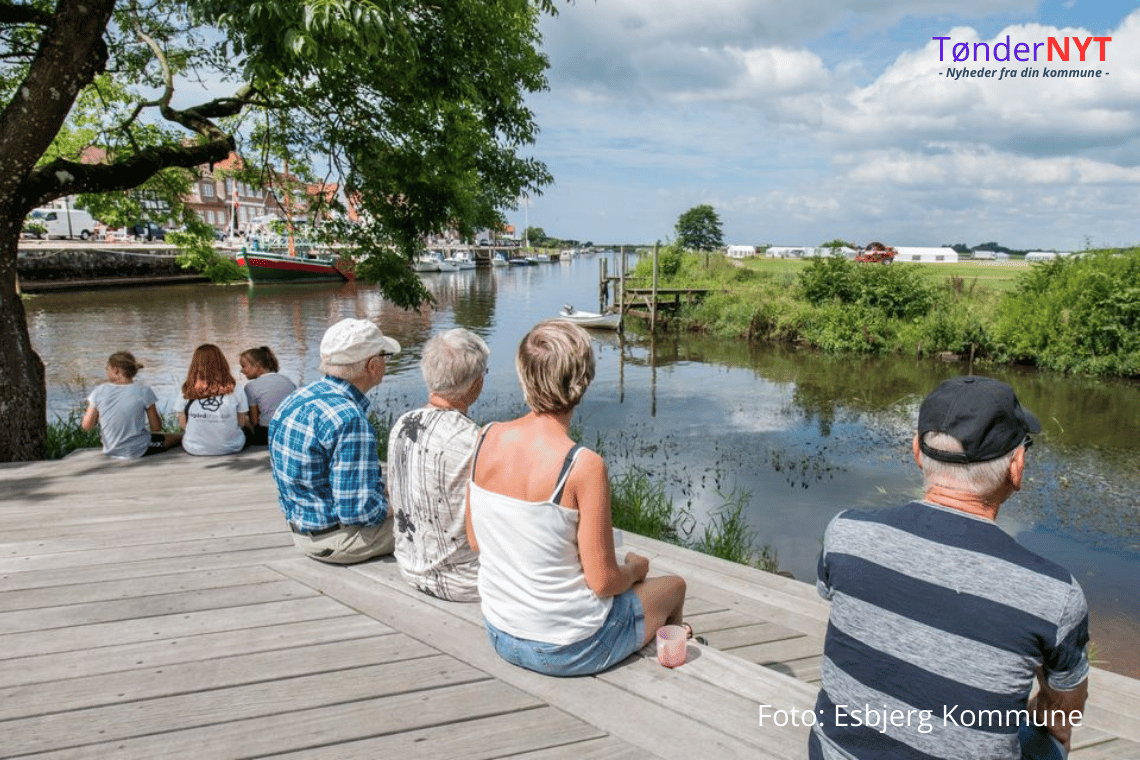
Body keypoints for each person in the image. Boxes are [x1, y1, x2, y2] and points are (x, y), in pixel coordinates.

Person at [810, 376, 1089, 760]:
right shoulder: (1055, 593)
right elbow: (1064, 706)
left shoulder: (845, 533)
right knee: (1050, 737)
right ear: (1017, 466)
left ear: (916, 453)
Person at [465, 319, 688, 677]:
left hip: (500, 632)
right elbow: (602, 582)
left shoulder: (484, 437)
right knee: (674, 586)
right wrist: (634, 569)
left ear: (524, 375)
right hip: (569, 650)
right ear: (583, 380)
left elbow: (476, 541)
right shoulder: (583, 465)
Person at [269, 318, 400, 564]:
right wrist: (402, 501)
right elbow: (358, 511)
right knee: (437, 518)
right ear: (372, 365)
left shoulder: (295, 398)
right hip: (339, 541)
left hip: (302, 532)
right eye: (385, 357)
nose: (385, 363)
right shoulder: (350, 420)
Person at [387, 328, 488, 602]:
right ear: (476, 383)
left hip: (411, 568)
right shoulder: (474, 441)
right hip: (465, 583)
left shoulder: (402, 425)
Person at [81, 351, 181, 458]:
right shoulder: (144, 390)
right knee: (176, 437)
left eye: (107, 368)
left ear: (115, 370)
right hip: (139, 450)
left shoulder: (99, 391)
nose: (106, 371)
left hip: (110, 450)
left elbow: (86, 426)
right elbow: (156, 427)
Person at [178, 343, 251, 456]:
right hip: (232, 446)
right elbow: (241, 422)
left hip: (194, 448)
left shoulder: (186, 389)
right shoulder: (236, 388)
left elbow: (182, 424)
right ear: (222, 363)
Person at [239, 346, 297, 446]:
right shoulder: (287, 380)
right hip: (291, 430)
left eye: (244, 366)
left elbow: (254, 420)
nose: (241, 371)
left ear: (258, 366)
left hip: (267, 434)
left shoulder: (250, 387)